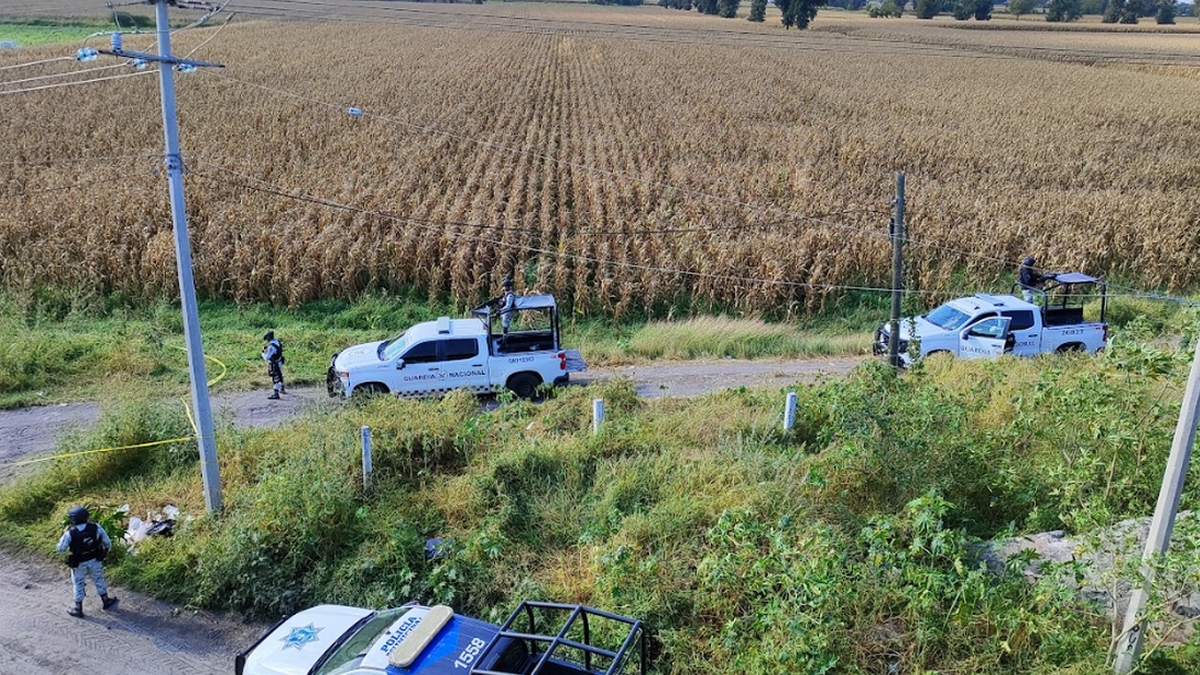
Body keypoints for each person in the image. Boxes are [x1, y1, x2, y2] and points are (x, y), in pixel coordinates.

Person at [56, 506, 117, 617]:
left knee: (78, 583)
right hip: (95, 558)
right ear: (86, 517)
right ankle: (106, 600)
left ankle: (78, 608)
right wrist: (106, 551)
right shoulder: (96, 528)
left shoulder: (70, 533)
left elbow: (60, 549)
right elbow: (107, 542)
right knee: (99, 579)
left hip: (79, 562)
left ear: (73, 519)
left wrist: (64, 533)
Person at [262, 330, 286, 400]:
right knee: (280, 375)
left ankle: (276, 394)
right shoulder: (277, 342)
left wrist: (263, 353)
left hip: (275, 363)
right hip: (280, 361)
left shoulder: (271, 346)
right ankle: (282, 388)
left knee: (275, 378)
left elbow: (267, 358)